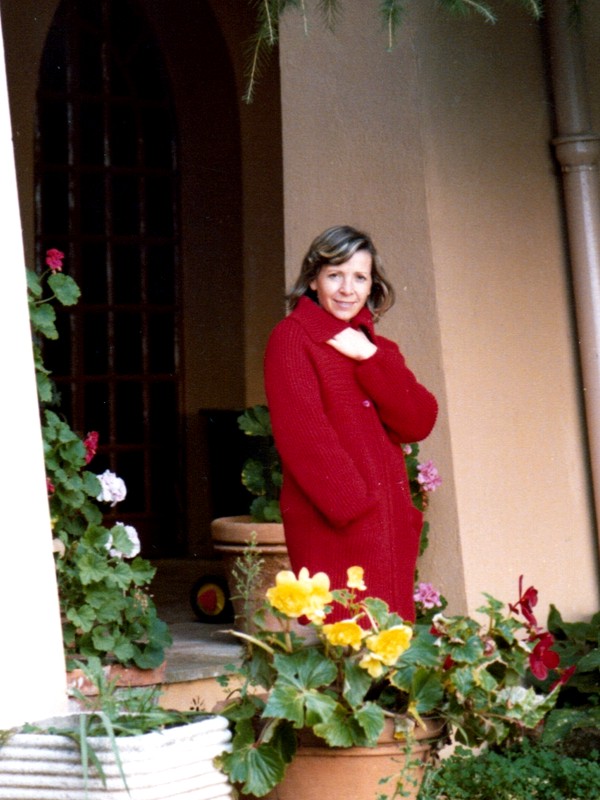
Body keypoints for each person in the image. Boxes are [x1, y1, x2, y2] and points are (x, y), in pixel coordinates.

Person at [264, 225, 438, 622]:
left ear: (372, 284)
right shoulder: (292, 339)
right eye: (335, 275)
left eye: (359, 277)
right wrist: (357, 507)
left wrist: (370, 358)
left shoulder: (375, 348)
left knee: (388, 641)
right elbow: (304, 436)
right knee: (345, 636)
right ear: (313, 279)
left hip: (387, 526)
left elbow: (418, 421)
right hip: (343, 525)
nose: (347, 289)